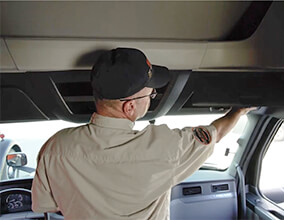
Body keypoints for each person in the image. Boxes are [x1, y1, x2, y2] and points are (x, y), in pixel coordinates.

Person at [31, 48, 255, 219]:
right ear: (129, 107)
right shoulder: (165, 147)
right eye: (151, 94)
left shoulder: (55, 148)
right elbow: (215, 133)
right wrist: (238, 112)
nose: (152, 97)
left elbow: (50, 205)